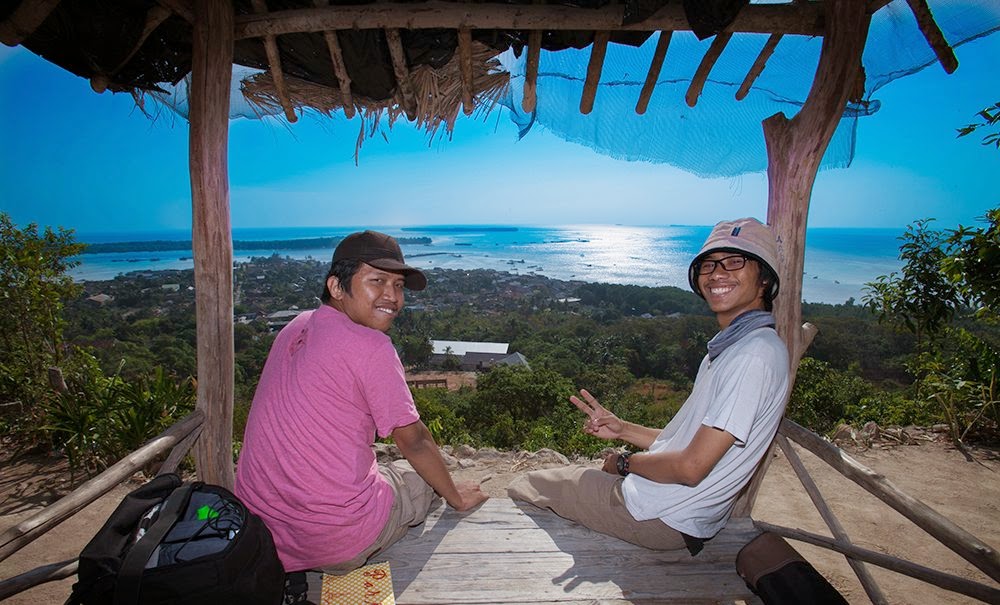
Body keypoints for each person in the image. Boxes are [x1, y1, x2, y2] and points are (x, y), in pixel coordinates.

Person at [507, 217, 790, 554]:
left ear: (764, 280)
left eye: (735, 262)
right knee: (578, 479)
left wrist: (624, 463)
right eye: (709, 265)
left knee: (524, 484)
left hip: (661, 517)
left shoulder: (752, 356)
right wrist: (622, 429)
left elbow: (690, 467)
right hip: (673, 511)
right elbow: (684, 444)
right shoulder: (735, 348)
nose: (717, 273)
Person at [235, 230, 488, 574]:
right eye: (377, 281)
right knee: (420, 477)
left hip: (263, 532)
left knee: (383, 470)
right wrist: (456, 497)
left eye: (398, 285)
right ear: (337, 287)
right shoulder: (371, 346)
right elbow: (413, 441)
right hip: (333, 541)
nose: (393, 296)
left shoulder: (296, 326)